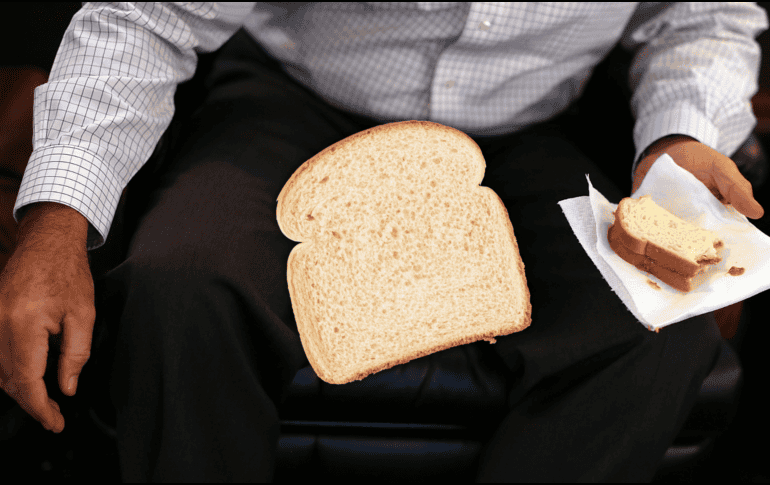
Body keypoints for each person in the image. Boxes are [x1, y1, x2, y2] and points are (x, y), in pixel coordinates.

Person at [0, 2, 766, 481]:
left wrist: (679, 134)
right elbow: (150, 15)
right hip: (296, 95)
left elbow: (702, 16)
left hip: (537, 119)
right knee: (181, 289)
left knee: (660, 329)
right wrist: (55, 218)